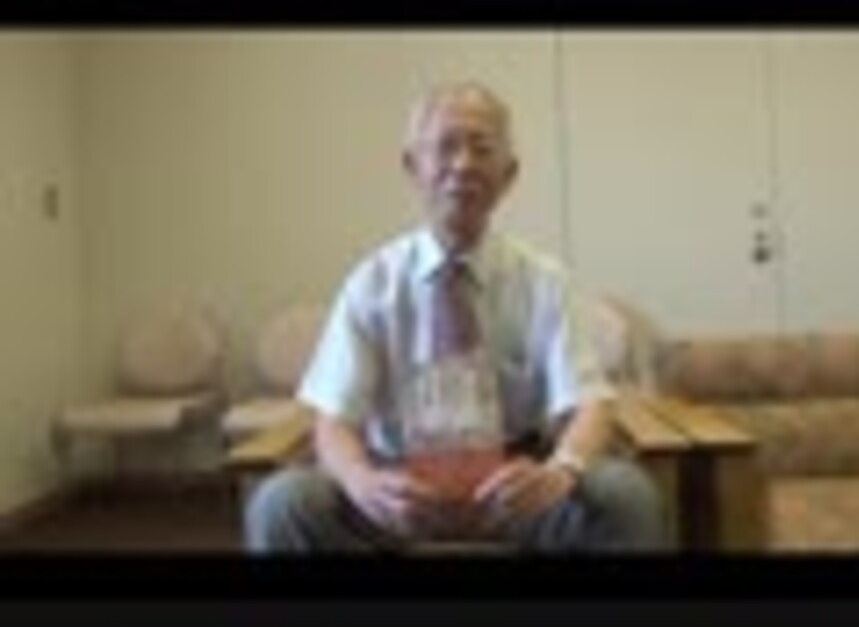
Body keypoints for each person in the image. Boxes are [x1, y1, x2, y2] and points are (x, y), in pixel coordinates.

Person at [245, 80, 665, 553]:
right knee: (283, 503)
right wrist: (363, 483)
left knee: (623, 495)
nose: (463, 164)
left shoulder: (544, 281)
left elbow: (590, 402)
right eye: (445, 147)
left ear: (509, 174)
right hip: (398, 490)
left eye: (481, 149)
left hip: (514, 492)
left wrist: (561, 469)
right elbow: (333, 419)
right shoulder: (372, 283)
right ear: (412, 166)